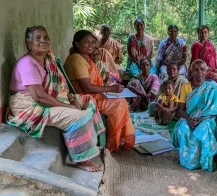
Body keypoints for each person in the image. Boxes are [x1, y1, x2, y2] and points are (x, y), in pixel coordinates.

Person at [7, 26, 104, 172]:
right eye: (37, 38)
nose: (43, 41)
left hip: (46, 98)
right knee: (79, 117)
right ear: (28, 43)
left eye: (46, 37)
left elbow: (61, 85)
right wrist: (68, 107)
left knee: (89, 101)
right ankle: (82, 159)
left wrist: (71, 100)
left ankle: (88, 142)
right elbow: (39, 97)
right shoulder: (27, 63)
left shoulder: (48, 59)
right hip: (29, 105)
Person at [63, 30, 135, 152]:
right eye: (86, 42)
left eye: (93, 42)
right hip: (83, 97)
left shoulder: (85, 58)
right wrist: (110, 89)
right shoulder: (77, 59)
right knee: (120, 103)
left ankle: (116, 139)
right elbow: (87, 87)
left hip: (90, 94)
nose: (91, 45)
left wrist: (108, 88)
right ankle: (111, 144)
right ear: (76, 43)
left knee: (120, 101)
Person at [172, 59, 217, 172]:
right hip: (189, 118)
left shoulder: (211, 87)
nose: (199, 72)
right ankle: (187, 159)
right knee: (183, 127)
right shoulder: (185, 87)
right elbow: (180, 111)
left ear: (206, 71)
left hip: (206, 119)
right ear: (192, 71)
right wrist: (189, 119)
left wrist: (202, 118)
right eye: (196, 69)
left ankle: (202, 160)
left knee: (203, 129)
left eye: (202, 69)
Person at [190, 25, 217, 104]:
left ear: (208, 33)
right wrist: (212, 70)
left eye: (205, 32)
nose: (203, 34)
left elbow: (214, 61)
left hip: (213, 70)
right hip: (203, 71)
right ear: (198, 34)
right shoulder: (196, 46)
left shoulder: (210, 45)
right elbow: (196, 63)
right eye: (201, 33)